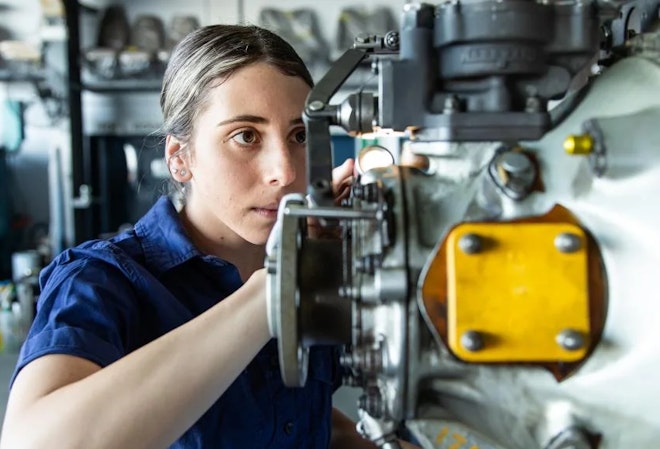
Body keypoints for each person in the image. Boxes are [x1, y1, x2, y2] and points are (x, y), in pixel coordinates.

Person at [0, 24, 418, 449]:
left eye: (299, 135)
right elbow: (32, 442)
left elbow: (295, 419)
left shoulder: (318, 263)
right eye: (246, 136)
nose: (287, 172)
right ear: (180, 159)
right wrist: (273, 291)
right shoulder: (102, 280)